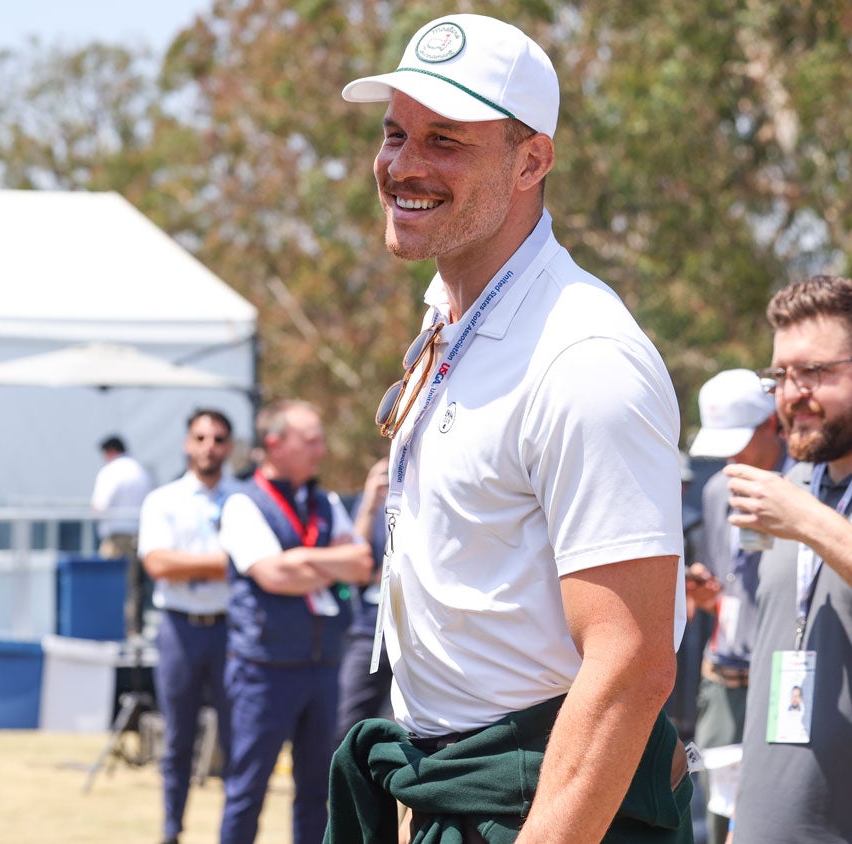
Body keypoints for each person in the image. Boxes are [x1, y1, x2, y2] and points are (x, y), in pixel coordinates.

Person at [328, 14, 691, 842]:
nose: (402, 166)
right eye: (395, 134)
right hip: (465, 796)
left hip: (547, 811)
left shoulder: (584, 357)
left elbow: (632, 665)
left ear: (533, 160)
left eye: (445, 141)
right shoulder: (451, 316)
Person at [727, 275, 852, 842]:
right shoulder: (793, 484)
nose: (792, 394)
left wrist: (812, 523)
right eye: (780, 376)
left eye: (814, 372)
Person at [216, 399, 372, 844]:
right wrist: (326, 563)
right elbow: (273, 574)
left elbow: (360, 563)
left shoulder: (324, 502)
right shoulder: (242, 503)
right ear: (274, 444)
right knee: (247, 789)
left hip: (322, 665)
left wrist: (302, 558)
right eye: (311, 440)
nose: (322, 450)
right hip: (263, 668)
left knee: (316, 791)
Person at [684, 369, 785, 844]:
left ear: (772, 423)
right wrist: (704, 597)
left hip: (781, 680)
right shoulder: (716, 491)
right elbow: (724, 590)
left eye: (740, 440)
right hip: (721, 679)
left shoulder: (806, 490)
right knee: (717, 815)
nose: (731, 456)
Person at [137, 408, 240, 844]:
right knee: (178, 738)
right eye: (200, 437)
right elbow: (158, 563)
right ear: (187, 443)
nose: (208, 447)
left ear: (229, 446)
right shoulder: (163, 500)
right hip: (179, 629)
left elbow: (255, 564)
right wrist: (225, 563)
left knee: (239, 740)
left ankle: (235, 832)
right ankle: (171, 830)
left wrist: (194, 566)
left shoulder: (245, 499)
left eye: (217, 439)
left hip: (233, 630)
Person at [335, 457, 392, 743]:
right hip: (372, 630)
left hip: (422, 629)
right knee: (345, 722)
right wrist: (370, 501)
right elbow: (356, 565)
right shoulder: (373, 502)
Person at [92, 434, 156, 637]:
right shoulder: (141, 471)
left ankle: (109, 628)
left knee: (109, 583)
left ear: (110, 452)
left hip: (117, 537)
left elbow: (100, 506)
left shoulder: (111, 471)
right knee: (134, 587)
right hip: (140, 534)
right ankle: (133, 630)